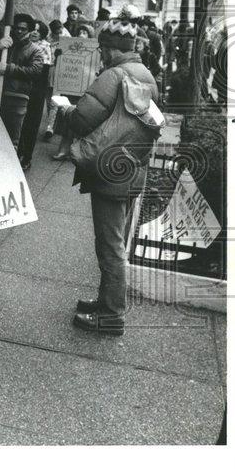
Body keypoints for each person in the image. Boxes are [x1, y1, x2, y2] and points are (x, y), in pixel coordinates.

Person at [59, 19, 160, 336]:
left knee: (110, 245)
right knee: (114, 242)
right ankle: (104, 302)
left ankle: (112, 315)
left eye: (102, 48)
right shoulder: (145, 75)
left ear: (111, 49)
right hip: (132, 168)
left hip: (109, 173)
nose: (100, 53)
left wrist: (62, 109)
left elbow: (81, 119)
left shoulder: (112, 76)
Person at [0, 13, 44, 151]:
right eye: (17, 28)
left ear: (30, 31)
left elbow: (35, 71)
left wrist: (8, 69)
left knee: (11, 141)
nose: (19, 31)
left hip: (17, 100)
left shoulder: (35, 51)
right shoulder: (5, 46)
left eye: (23, 29)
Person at [52, 22, 97, 161]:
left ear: (90, 36)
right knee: (66, 117)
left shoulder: (96, 52)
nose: (81, 35)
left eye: (85, 33)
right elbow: (60, 67)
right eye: (79, 33)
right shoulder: (66, 47)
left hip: (85, 91)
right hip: (70, 88)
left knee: (80, 119)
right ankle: (64, 148)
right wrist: (59, 56)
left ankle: (75, 151)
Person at [17, 19, 53, 171]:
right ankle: (18, 152)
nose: (35, 32)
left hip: (36, 90)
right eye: (33, 29)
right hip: (21, 87)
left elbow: (41, 73)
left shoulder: (44, 47)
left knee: (31, 123)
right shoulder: (21, 44)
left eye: (38, 30)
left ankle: (27, 156)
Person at [42, 19, 71, 140]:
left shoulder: (67, 37)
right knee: (49, 100)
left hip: (62, 71)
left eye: (60, 30)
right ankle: (53, 125)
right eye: (56, 31)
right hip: (50, 70)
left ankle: (50, 127)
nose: (59, 33)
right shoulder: (49, 40)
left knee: (54, 100)